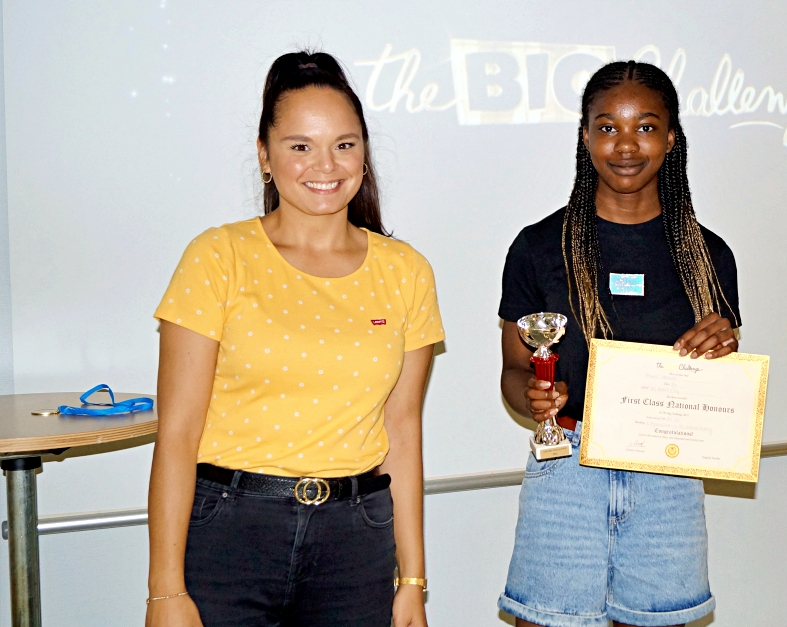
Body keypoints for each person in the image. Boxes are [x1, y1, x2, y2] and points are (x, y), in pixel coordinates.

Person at [146, 51, 442, 627]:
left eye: (345, 144)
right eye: (300, 146)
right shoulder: (217, 256)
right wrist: (165, 591)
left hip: (356, 545)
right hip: (229, 536)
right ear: (265, 155)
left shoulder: (406, 270)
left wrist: (412, 581)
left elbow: (402, 431)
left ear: (364, 153)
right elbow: (178, 433)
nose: (325, 165)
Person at [496, 60, 741, 627]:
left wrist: (723, 354)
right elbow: (513, 368)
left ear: (672, 137)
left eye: (646, 127)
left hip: (668, 479)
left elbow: (719, 394)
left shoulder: (710, 257)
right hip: (567, 469)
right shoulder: (537, 247)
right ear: (585, 137)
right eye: (608, 127)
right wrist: (533, 397)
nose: (626, 145)